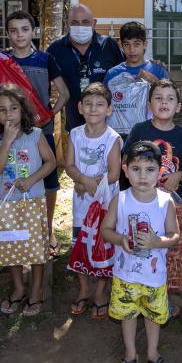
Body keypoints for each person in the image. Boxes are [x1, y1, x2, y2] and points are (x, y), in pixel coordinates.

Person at [101, 140, 179, 363]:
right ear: (125, 169)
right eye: (136, 169)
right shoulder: (120, 200)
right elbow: (105, 230)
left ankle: (153, 352)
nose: (143, 176)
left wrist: (158, 242)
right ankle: (130, 352)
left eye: (150, 170)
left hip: (154, 278)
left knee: (154, 316)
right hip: (125, 276)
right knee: (128, 315)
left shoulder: (166, 202)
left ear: (160, 171)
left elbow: (175, 236)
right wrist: (120, 238)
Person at [0, 84, 56, 317]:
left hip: (32, 200)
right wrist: (6, 141)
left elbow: (50, 162)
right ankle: (18, 287)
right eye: (2, 110)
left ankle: (36, 289)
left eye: (13, 108)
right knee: (10, 246)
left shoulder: (35, 135)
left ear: (22, 110)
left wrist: (32, 178)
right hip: (5, 204)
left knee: (35, 247)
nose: (8, 114)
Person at [5, 10, 70, 255]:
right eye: (13, 30)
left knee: (49, 183)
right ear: (8, 33)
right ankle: (16, 232)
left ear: (33, 31)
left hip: (41, 132)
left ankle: (47, 229)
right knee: (13, 180)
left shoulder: (45, 59)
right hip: (11, 134)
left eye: (24, 29)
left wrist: (50, 114)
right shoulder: (3, 61)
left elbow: (64, 93)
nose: (19, 35)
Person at [64, 82, 122, 320]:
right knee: (81, 244)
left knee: (103, 246)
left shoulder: (113, 138)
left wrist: (87, 183)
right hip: (81, 204)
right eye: (88, 104)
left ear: (109, 109)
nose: (93, 109)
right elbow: (68, 165)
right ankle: (84, 288)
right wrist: (81, 180)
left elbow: (114, 174)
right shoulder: (75, 135)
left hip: (106, 206)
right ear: (79, 107)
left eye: (100, 105)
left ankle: (100, 292)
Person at [47, 4, 124, 132]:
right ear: (67, 24)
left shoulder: (109, 45)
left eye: (85, 22)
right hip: (74, 124)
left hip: (109, 124)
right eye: (75, 23)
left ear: (94, 24)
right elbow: (40, 76)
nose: (80, 27)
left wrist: (153, 64)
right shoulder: (56, 49)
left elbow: (129, 70)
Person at [122, 79, 182, 201]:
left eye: (170, 99)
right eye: (158, 98)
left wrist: (178, 175)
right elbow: (125, 162)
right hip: (141, 199)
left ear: (178, 107)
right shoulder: (139, 130)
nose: (164, 102)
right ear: (149, 105)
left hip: (173, 201)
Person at [104, 21, 168, 138]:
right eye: (127, 44)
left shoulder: (158, 70)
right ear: (121, 45)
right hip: (118, 137)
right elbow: (104, 105)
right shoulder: (112, 74)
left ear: (145, 44)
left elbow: (170, 102)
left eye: (136, 44)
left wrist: (155, 82)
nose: (132, 50)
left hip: (150, 136)